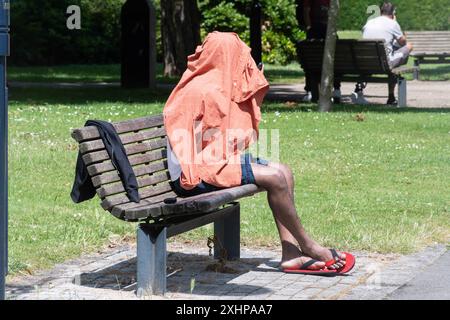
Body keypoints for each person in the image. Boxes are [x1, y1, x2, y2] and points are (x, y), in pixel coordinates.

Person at [164, 31, 355, 274]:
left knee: (284, 171)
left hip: (213, 161)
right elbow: (185, 143)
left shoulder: (216, 84)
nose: (243, 63)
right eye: (237, 56)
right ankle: (309, 245)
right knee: (273, 178)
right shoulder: (197, 88)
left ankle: (291, 254)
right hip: (193, 173)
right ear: (224, 56)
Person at [355, 2, 414, 105]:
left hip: (366, 61)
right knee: (409, 46)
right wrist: (396, 22)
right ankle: (391, 97)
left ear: (381, 12)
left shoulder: (369, 22)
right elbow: (403, 42)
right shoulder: (393, 23)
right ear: (393, 13)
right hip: (385, 63)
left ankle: (358, 90)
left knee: (388, 52)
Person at [296, 0, 342, 103]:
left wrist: (309, 27)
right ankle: (337, 89)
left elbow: (306, 11)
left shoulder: (312, 32)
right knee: (336, 58)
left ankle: (309, 91)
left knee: (310, 60)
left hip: (315, 31)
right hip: (325, 30)